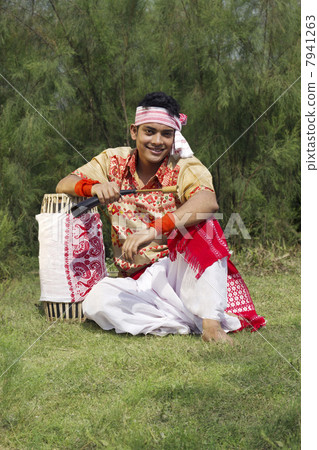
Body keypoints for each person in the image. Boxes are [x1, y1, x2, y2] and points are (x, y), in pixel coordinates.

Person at [56, 92, 264, 343]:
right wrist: (92, 187)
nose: (157, 141)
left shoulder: (185, 164)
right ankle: (189, 317)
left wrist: (154, 229)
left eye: (166, 134)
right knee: (96, 302)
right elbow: (65, 183)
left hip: (177, 272)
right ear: (134, 131)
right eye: (149, 131)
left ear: (175, 136)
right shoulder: (113, 160)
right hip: (138, 282)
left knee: (205, 224)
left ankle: (210, 325)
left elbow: (208, 201)